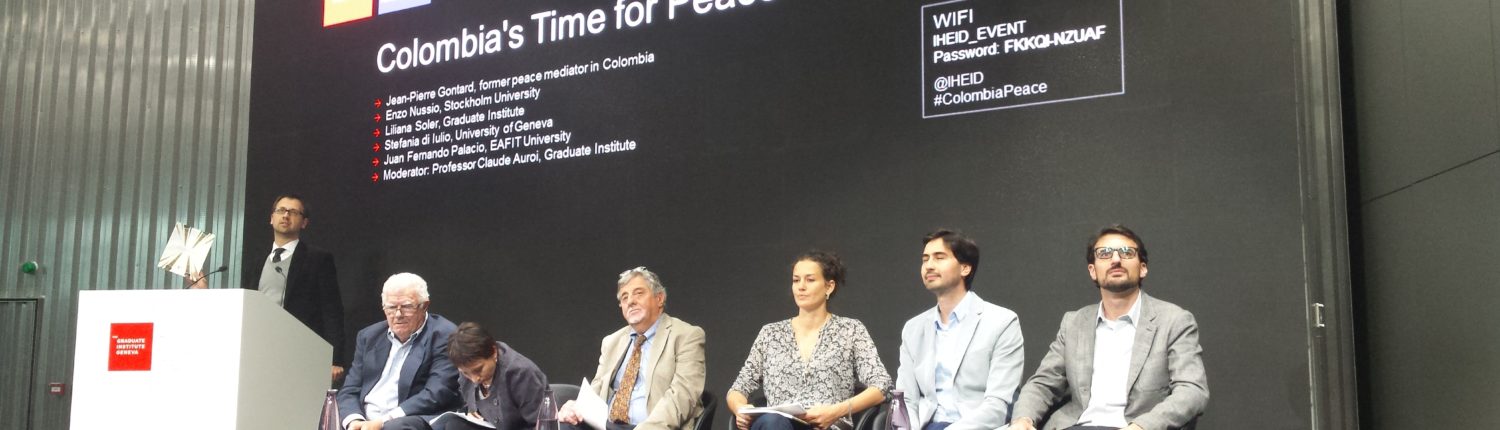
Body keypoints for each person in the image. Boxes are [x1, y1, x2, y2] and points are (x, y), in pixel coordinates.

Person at [1008, 225, 1209, 430]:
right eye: (1104, 253)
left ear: (1143, 268)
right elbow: (1043, 383)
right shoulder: (1074, 322)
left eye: (1126, 252)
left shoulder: (1174, 320)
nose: (1115, 259)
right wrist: (1022, 420)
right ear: (1093, 271)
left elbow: (1192, 391)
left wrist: (1142, 426)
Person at [727, 251, 891, 430]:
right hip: (777, 425)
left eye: (810, 280)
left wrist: (836, 411)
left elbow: (882, 386)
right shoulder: (770, 334)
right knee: (773, 422)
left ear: (829, 287)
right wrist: (740, 409)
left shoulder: (850, 330)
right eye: (796, 280)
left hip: (826, 425)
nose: (801, 287)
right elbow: (738, 389)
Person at [191, 193, 346, 382]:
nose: (286, 215)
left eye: (293, 212)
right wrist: (204, 293)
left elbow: (332, 311)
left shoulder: (317, 259)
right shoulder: (257, 260)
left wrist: (335, 359)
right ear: (271, 218)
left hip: (300, 351)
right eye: (281, 210)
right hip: (258, 349)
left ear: (304, 222)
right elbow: (245, 306)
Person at [896, 229, 1024, 430]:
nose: (929, 265)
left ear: (965, 268)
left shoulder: (1002, 322)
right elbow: (906, 400)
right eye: (925, 259)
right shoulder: (913, 329)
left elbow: (997, 405)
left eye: (939, 258)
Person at [557, 267, 708, 430]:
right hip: (606, 425)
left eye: (638, 293)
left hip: (651, 427)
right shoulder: (611, 341)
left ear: (659, 298)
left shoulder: (686, 336)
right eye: (624, 297)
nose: (630, 301)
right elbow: (597, 388)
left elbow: (682, 397)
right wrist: (576, 407)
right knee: (561, 425)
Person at [339, 273, 462, 430]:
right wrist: (354, 421)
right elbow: (350, 389)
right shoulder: (369, 336)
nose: (398, 315)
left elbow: (437, 392)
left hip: (408, 419)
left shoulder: (444, 335)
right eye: (391, 307)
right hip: (365, 421)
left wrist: (383, 421)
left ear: (424, 306)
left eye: (406, 306)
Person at [421, 321, 551, 430]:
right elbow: (470, 406)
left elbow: (542, 425)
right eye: (465, 373)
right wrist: (472, 412)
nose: (474, 379)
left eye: (478, 370)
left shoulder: (521, 373)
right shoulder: (467, 371)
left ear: (493, 352)